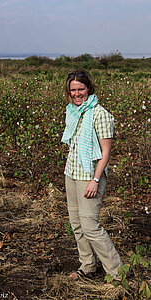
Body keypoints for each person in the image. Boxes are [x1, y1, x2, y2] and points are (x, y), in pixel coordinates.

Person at [61, 70, 123, 280]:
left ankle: (117, 272)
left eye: (81, 89)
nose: (77, 93)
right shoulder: (72, 111)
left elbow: (106, 153)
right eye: (73, 90)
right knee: (77, 224)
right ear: (69, 92)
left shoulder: (100, 114)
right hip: (72, 172)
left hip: (90, 176)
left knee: (90, 225)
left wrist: (95, 180)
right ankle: (87, 265)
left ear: (89, 89)